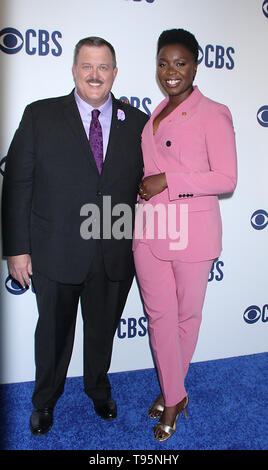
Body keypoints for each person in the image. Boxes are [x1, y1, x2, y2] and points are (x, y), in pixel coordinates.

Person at [2, 36, 148, 435]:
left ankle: (99, 390)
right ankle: (44, 400)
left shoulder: (137, 123)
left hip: (113, 252)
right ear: (74, 70)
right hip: (55, 251)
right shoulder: (40, 116)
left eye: (103, 67)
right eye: (87, 66)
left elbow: (148, 186)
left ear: (115, 73)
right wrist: (17, 250)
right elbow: (17, 184)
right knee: (52, 335)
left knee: (102, 333)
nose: (95, 75)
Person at [133, 28, 237, 442]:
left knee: (185, 318)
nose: (170, 71)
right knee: (159, 319)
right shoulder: (155, 112)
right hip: (150, 229)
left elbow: (227, 178)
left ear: (196, 63)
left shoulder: (214, 112)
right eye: (163, 62)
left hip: (191, 230)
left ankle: (172, 398)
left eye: (179, 62)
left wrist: (168, 181)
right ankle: (175, 393)